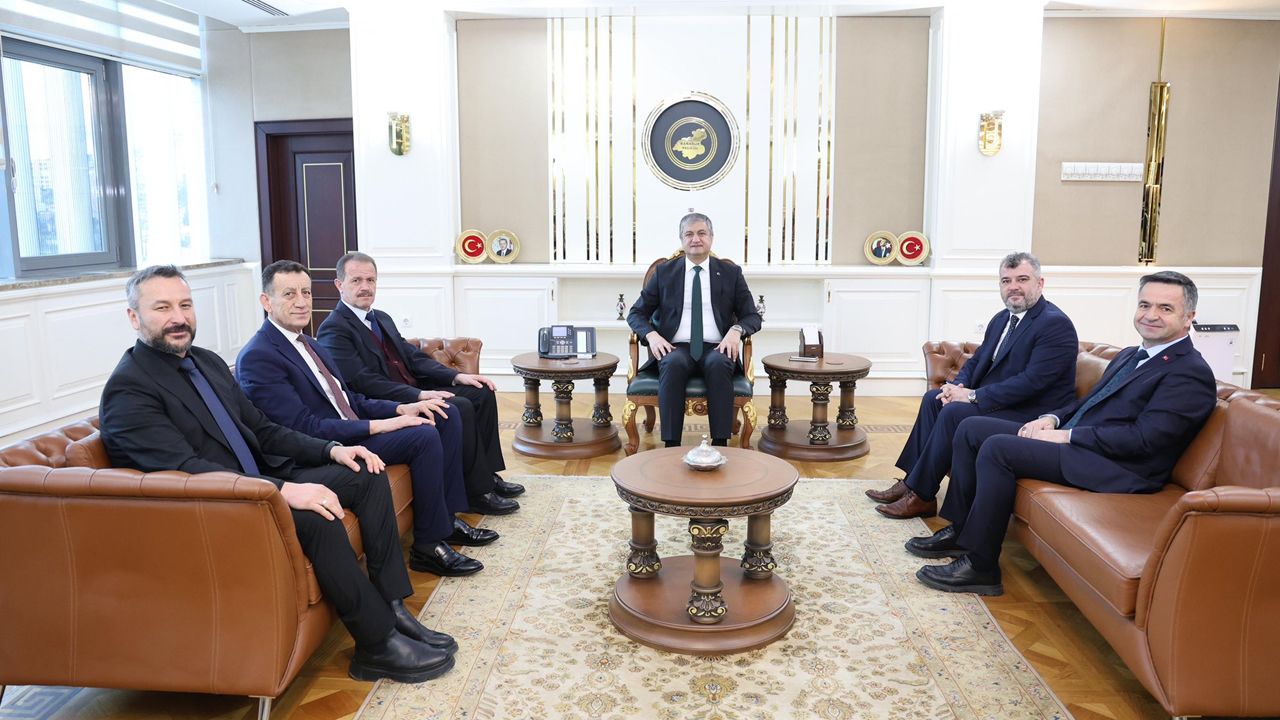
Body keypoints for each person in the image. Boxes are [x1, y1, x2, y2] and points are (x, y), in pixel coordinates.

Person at [99, 265, 455, 684]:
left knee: (365, 471)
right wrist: (285, 490)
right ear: (134, 317)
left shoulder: (205, 362)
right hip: (216, 509)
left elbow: (263, 429)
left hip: (258, 484)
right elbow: (188, 471)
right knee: (318, 517)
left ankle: (393, 608)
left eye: (185, 305)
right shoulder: (129, 389)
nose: (178, 317)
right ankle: (376, 645)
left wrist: (332, 449)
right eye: (162, 308)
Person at [909, 271, 1217, 597]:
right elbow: (1091, 402)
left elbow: (1144, 440)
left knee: (998, 449)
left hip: (1121, 466)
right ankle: (962, 532)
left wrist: (1069, 437)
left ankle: (981, 566)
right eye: (1145, 305)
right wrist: (1052, 420)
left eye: (1165, 308)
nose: (1150, 315)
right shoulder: (1132, 354)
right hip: (1087, 445)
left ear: (1189, 317)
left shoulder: (1189, 372)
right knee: (972, 428)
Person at [236, 261, 497, 578]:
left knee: (437, 415)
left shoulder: (310, 344)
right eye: (289, 294)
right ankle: (428, 548)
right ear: (266, 301)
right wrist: (382, 424)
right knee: (423, 435)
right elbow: (303, 427)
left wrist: (401, 410)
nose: (302, 302)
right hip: (327, 446)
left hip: (350, 427)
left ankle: (445, 520)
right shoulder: (259, 355)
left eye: (306, 292)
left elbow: (350, 400)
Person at [868, 252, 1078, 519]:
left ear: (1040, 283)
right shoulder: (1002, 319)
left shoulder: (1054, 324)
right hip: (1002, 402)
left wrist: (973, 396)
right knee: (934, 399)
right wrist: (956, 387)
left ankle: (921, 494)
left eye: (1022, 279)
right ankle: (911, 482)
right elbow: (978, 360)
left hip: (1030, 411)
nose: (1013, 287)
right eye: (1006, 281)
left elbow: (1031, 383)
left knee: (955, 413)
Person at [316, 251, 523, 515]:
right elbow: (362, 382)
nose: (365, 287)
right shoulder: (334, 328)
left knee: (480, 392)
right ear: (339, 284)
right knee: (458, 406)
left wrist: (456, 376)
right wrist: (419, 395)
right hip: (387, 402)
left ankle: (487, 476)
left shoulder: (381, 317)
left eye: (370, 280)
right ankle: (477, 493)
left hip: (413, 388)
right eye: (356, 280)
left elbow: (411, 357)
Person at [626, 212, 761, 447]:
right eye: (689, 234)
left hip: (717, 346)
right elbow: (636, 313)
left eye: (701, 233)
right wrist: (652, 336)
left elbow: (752, 316)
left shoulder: (730, 273)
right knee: (673, 362)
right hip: (675, 346)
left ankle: (720, 444)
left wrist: (736, 330)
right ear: (681, 239)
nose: (695, 239)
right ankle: (671, 445)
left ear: (711, 237)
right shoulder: (664, 273)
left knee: (719, 363)